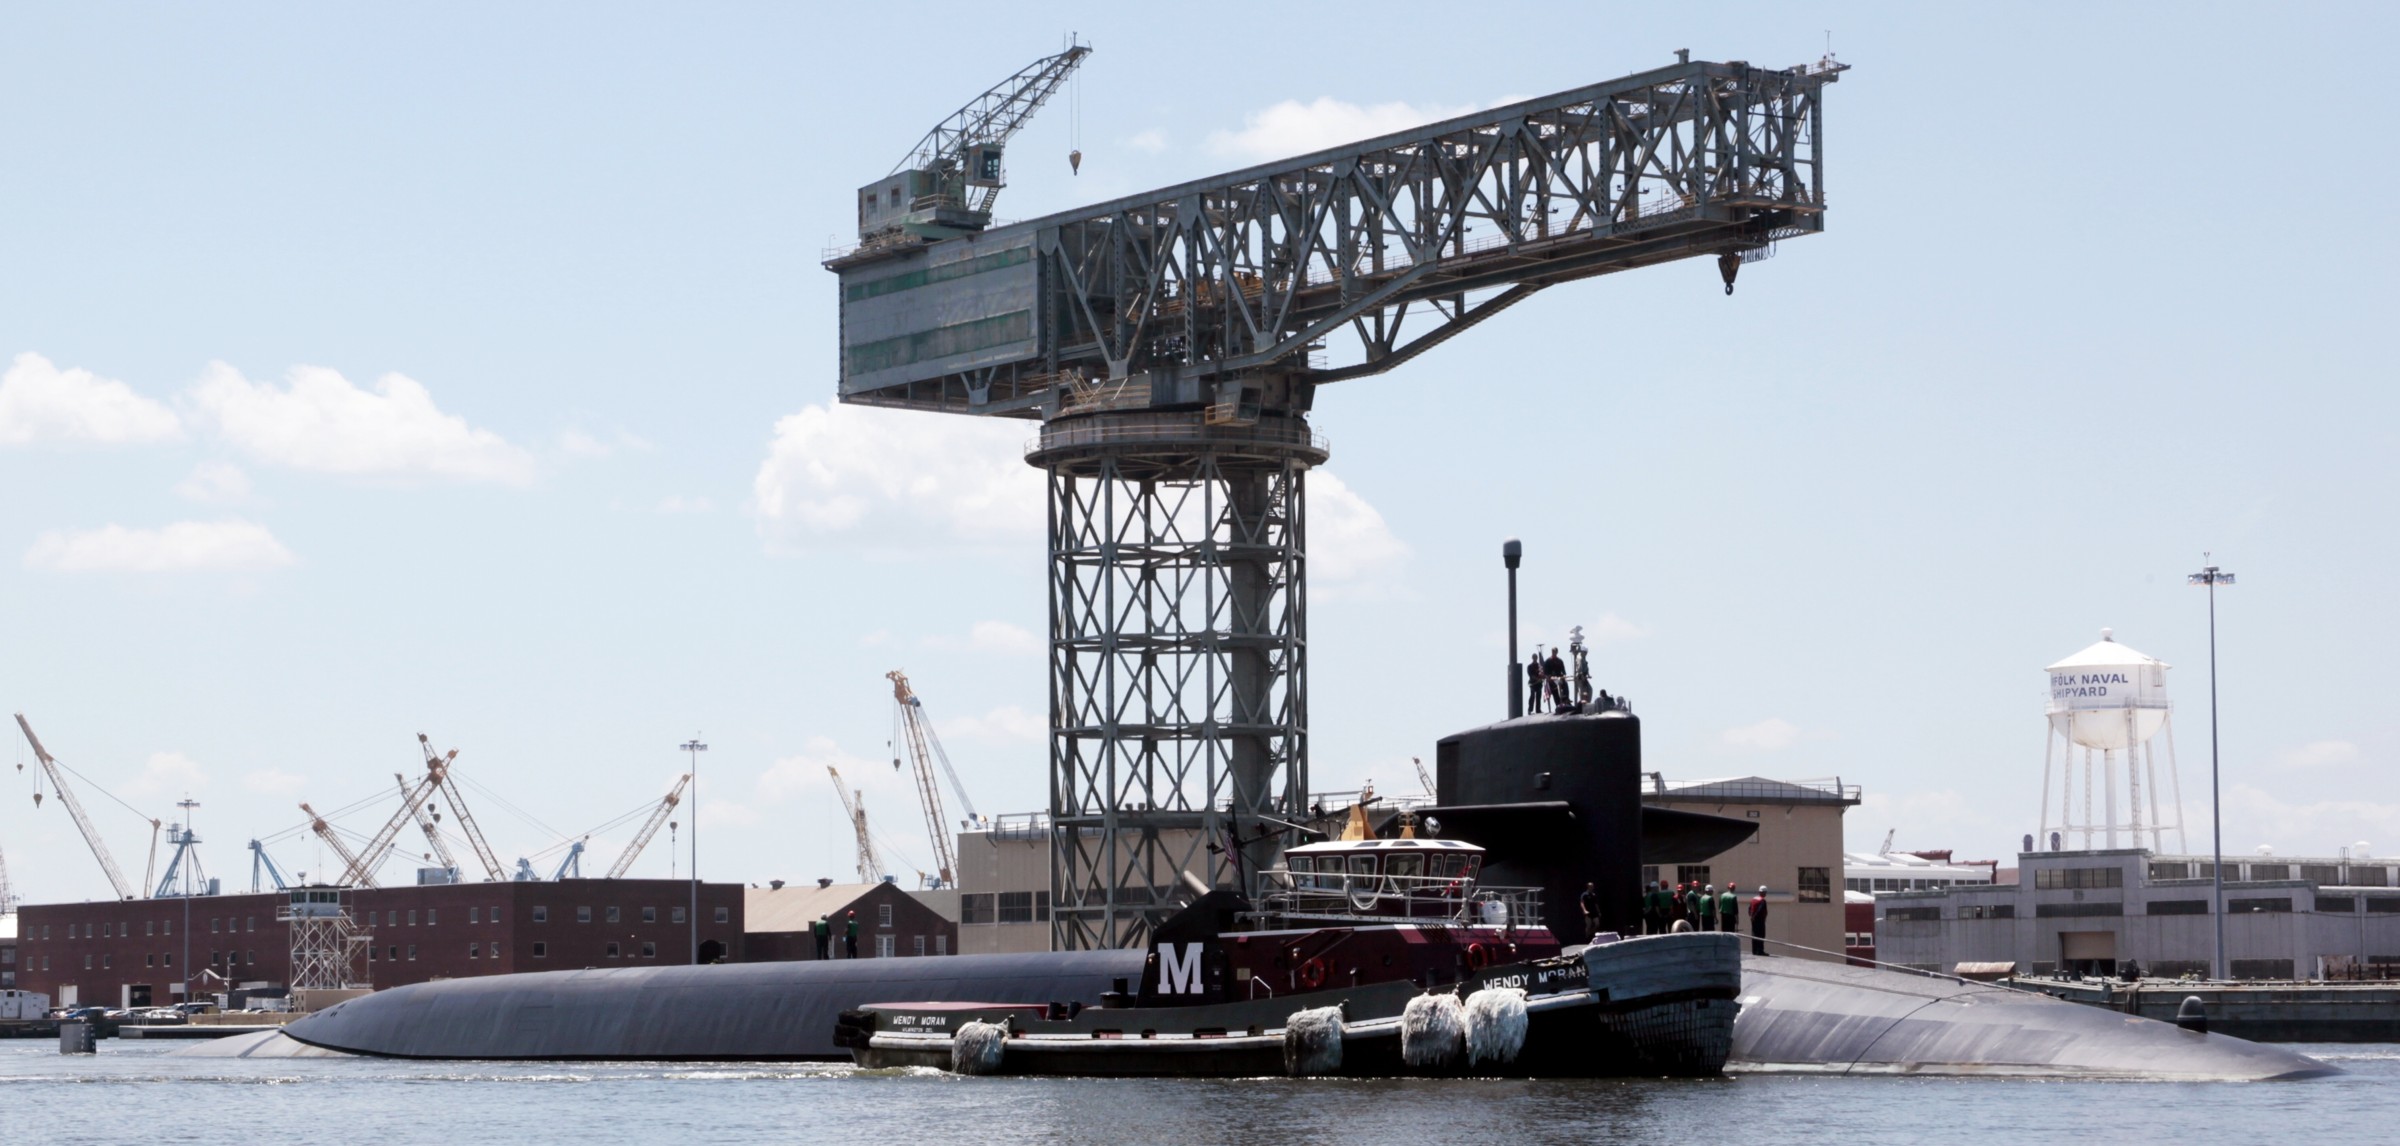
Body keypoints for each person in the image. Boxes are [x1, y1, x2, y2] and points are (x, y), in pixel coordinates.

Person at [1749, 887, 1770, 956]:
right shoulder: (1762, 901)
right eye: (1765, 892)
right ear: (1764, 892)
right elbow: (1759, 910)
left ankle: (1754, 950)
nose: (1765, 894)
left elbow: (1749, 908)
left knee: (1754, 934)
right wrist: (1755, 916)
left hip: (1753, 920)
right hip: (1760, 920)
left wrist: (1751, 916)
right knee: (1761, 935)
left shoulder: (1753, 899)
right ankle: (1760, 951)